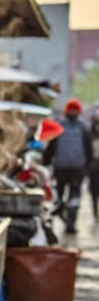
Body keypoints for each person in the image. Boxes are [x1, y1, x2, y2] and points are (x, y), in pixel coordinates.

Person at [43, 98, 93, 232]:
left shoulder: (58, 126)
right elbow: (89, 150)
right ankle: (70, 224)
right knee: (74, 197)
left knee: (59, 195)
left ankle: (58, 214)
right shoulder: (83, 128)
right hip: (77, 170)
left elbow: (50, 148)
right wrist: (87, 168)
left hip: (60, 169)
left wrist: (46, 162)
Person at [90, 113, 99, 221]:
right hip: (93, 167)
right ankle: (95, 212)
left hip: (93, 166)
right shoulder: (90, 136)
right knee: (94, 191)